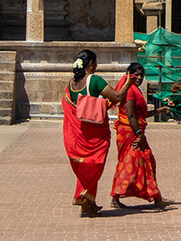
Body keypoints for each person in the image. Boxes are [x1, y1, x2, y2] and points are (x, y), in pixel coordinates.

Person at [61, 49, 136, 217]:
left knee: (86, 167)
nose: (96, 66)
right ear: (91, 64)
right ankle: (84, 197)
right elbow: (116, 96)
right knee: (95, 165)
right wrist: (128, 83)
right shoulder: (94, 80)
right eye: (95, 63)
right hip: (94, 134)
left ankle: (88, 204)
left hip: (79, 134)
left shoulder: (71, 83)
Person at [110, 63, 165, 209]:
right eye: (136, 74)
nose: (139, 77)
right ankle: (116, 197)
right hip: (131, 132)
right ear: (128, 74)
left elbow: (140, 114)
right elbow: (131, 115)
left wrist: (158, 111)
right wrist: (139, 134)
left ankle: (155, 196)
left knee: (145, 161)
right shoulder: (129, 91)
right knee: (132, 163)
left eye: (142, 75)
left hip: (133, 131)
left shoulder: (134, 89)